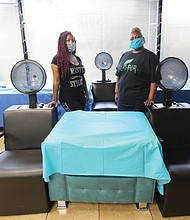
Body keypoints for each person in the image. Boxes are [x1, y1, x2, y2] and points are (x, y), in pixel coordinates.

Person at [115, 27, 158, 112]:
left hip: (138, 102)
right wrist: (116, 92)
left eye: (137, 37)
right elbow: (118, 76)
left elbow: (154, 80)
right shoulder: (125, 55)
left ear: (143, 39)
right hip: (122, 101)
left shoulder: (150, 56)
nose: (135, 40)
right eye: (132, 38)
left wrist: (150, 98)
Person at [48, 31, 90, 111]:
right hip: (68, 98)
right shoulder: (57, 60)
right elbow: (56, 81)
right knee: (77, 117)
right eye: (68, 40)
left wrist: (87, 94)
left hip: (81, 96)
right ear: (62, 43)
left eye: (73, 40)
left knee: (80, 119)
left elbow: (82, 78)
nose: (71, 43)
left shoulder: (77, 59)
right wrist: (54, 99)